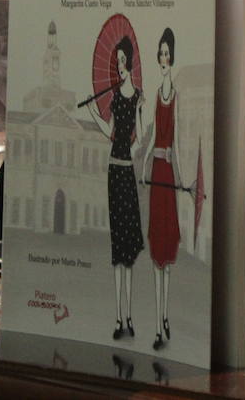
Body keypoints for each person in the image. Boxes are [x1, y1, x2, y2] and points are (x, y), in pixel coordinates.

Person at [85, 35, 145, 341]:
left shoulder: (137, 98)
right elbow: (111, 132)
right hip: (113, 169)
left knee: (129, 251)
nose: (119, 66)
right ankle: (119, 316)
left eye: (123, 61)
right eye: (117, 62)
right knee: (116, 249)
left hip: (127, 172)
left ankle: (129, 316)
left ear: (130, 64)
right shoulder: (115, 99)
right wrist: (95, 114)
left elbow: (141, 136)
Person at [140, 27, 183, 352]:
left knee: (168, 248)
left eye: (167, 55)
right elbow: (154, 136)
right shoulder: (156, 93)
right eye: (161, 55)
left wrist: (181, 178)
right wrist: (143, 168)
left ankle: (165, 316)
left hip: (167, 173)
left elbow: (176, 141)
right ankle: (158, 324)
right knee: (157, 248)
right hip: (156, 171)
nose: (164, 59)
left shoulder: (174, 94)